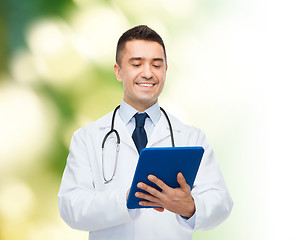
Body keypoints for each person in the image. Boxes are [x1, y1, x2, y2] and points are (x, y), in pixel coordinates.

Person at [58, 25, 233, 240]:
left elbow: (221, 202)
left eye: (156, 65)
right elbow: (70, 208)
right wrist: (126, 199)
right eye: (137, 64)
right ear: (118, 71)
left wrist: (191, 207)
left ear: (165, 71)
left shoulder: (191, 137)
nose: (148, 73)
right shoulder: (87, 138)